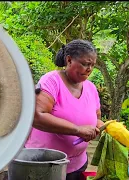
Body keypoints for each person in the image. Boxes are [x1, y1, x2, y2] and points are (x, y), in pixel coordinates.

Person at [25, 39, 105, 180]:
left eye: (92, 65)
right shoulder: (51, 81)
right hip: (45, 165)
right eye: (85, 64)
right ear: (69, 60)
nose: (89, 69)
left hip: (77, 164)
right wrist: (78, 129)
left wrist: (103, 127)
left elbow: (97, 117)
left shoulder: (91, 88)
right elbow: (38, 116)